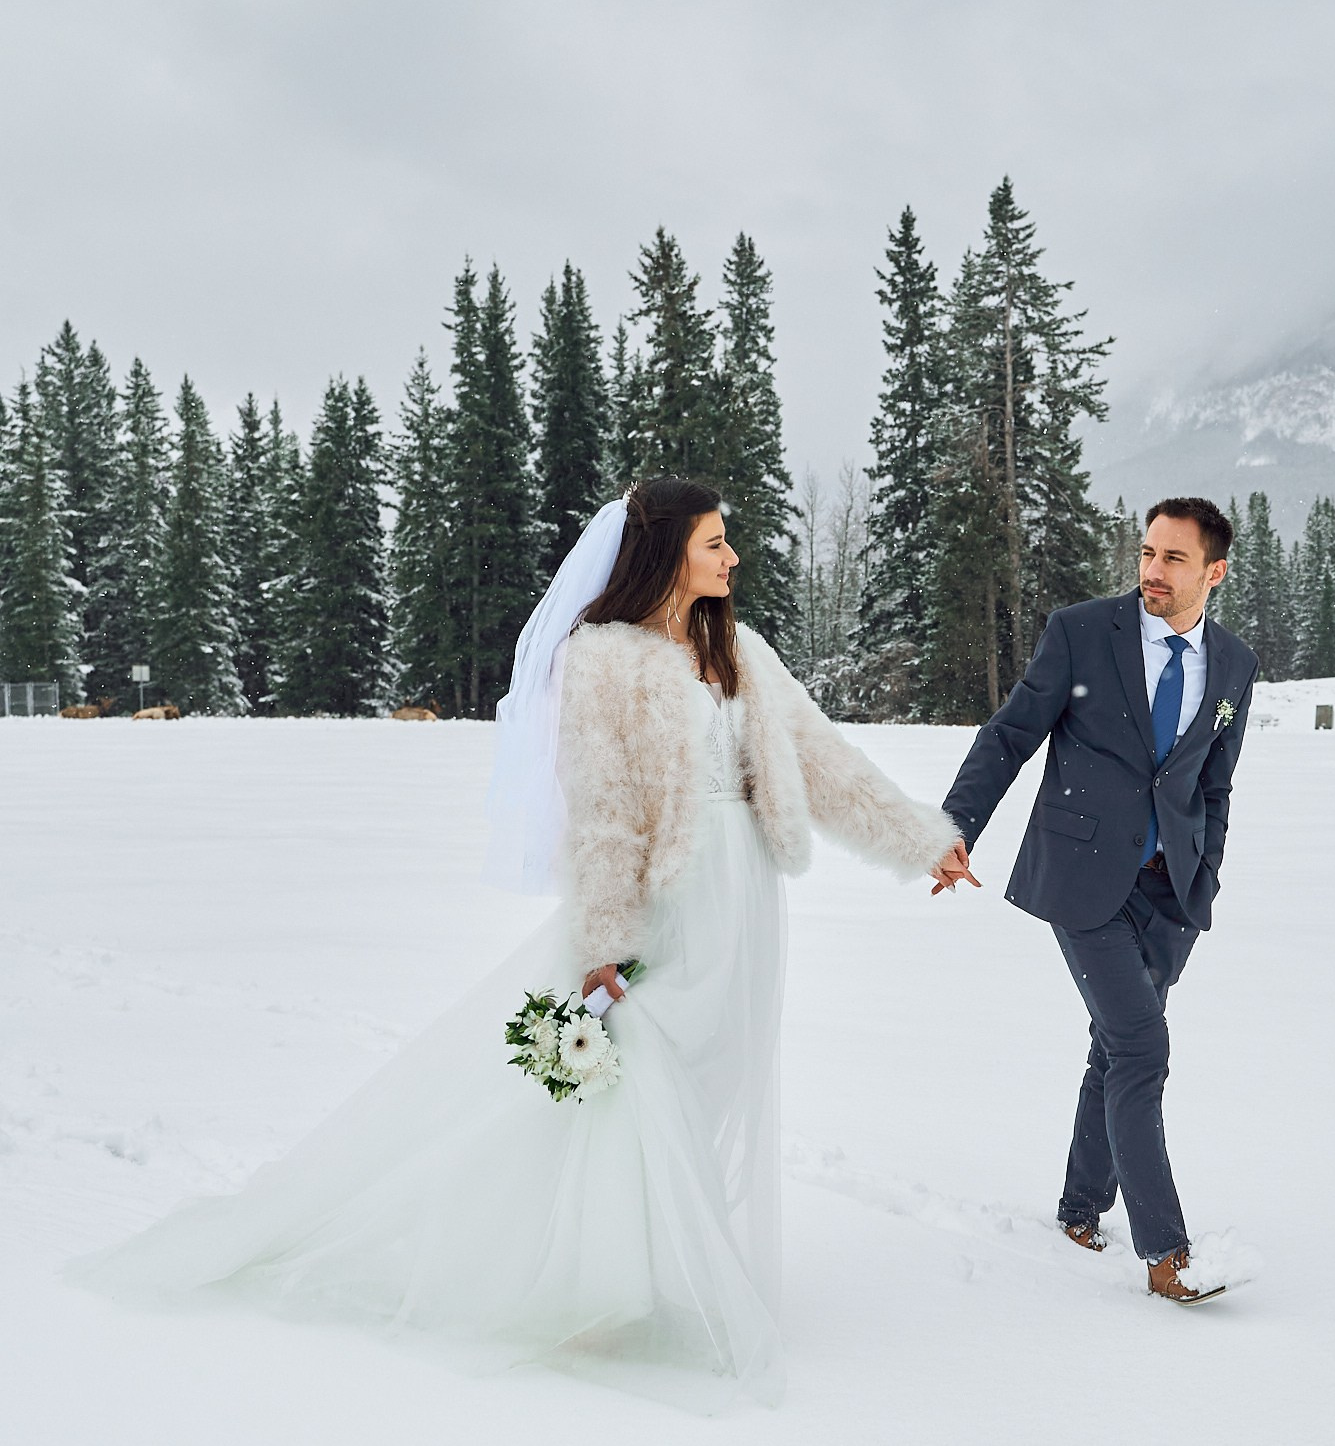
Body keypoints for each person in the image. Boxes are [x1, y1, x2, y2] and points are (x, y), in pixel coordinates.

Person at [68, 478, 962, 1408]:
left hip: (748, 903)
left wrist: (922, 839)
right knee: (640, 1088)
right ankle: (613, 1286)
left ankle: (655, 1271)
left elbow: (820, 757)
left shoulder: (739, 647)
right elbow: (604, 811)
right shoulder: (602, 660)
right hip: (668, 903)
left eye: (727, 542)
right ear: (663, 556)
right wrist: (605, 941)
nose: (732, 558)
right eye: (713, 543)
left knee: (711, 1084)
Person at [931, 496, 1256, 1305]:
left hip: (1169, 895)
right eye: (1147, 552)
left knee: (1113, 1049)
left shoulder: (1235, 666)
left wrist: (1200, 884)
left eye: (1173, 559)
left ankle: (1081, 1209)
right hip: (1079, 881)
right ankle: (1167, 1253)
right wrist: (954, 824)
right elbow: (1010, 733)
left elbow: (1213, 787)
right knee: (1143, 1049)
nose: (1151, 569)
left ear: (1213, 572)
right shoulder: (1082, 631)